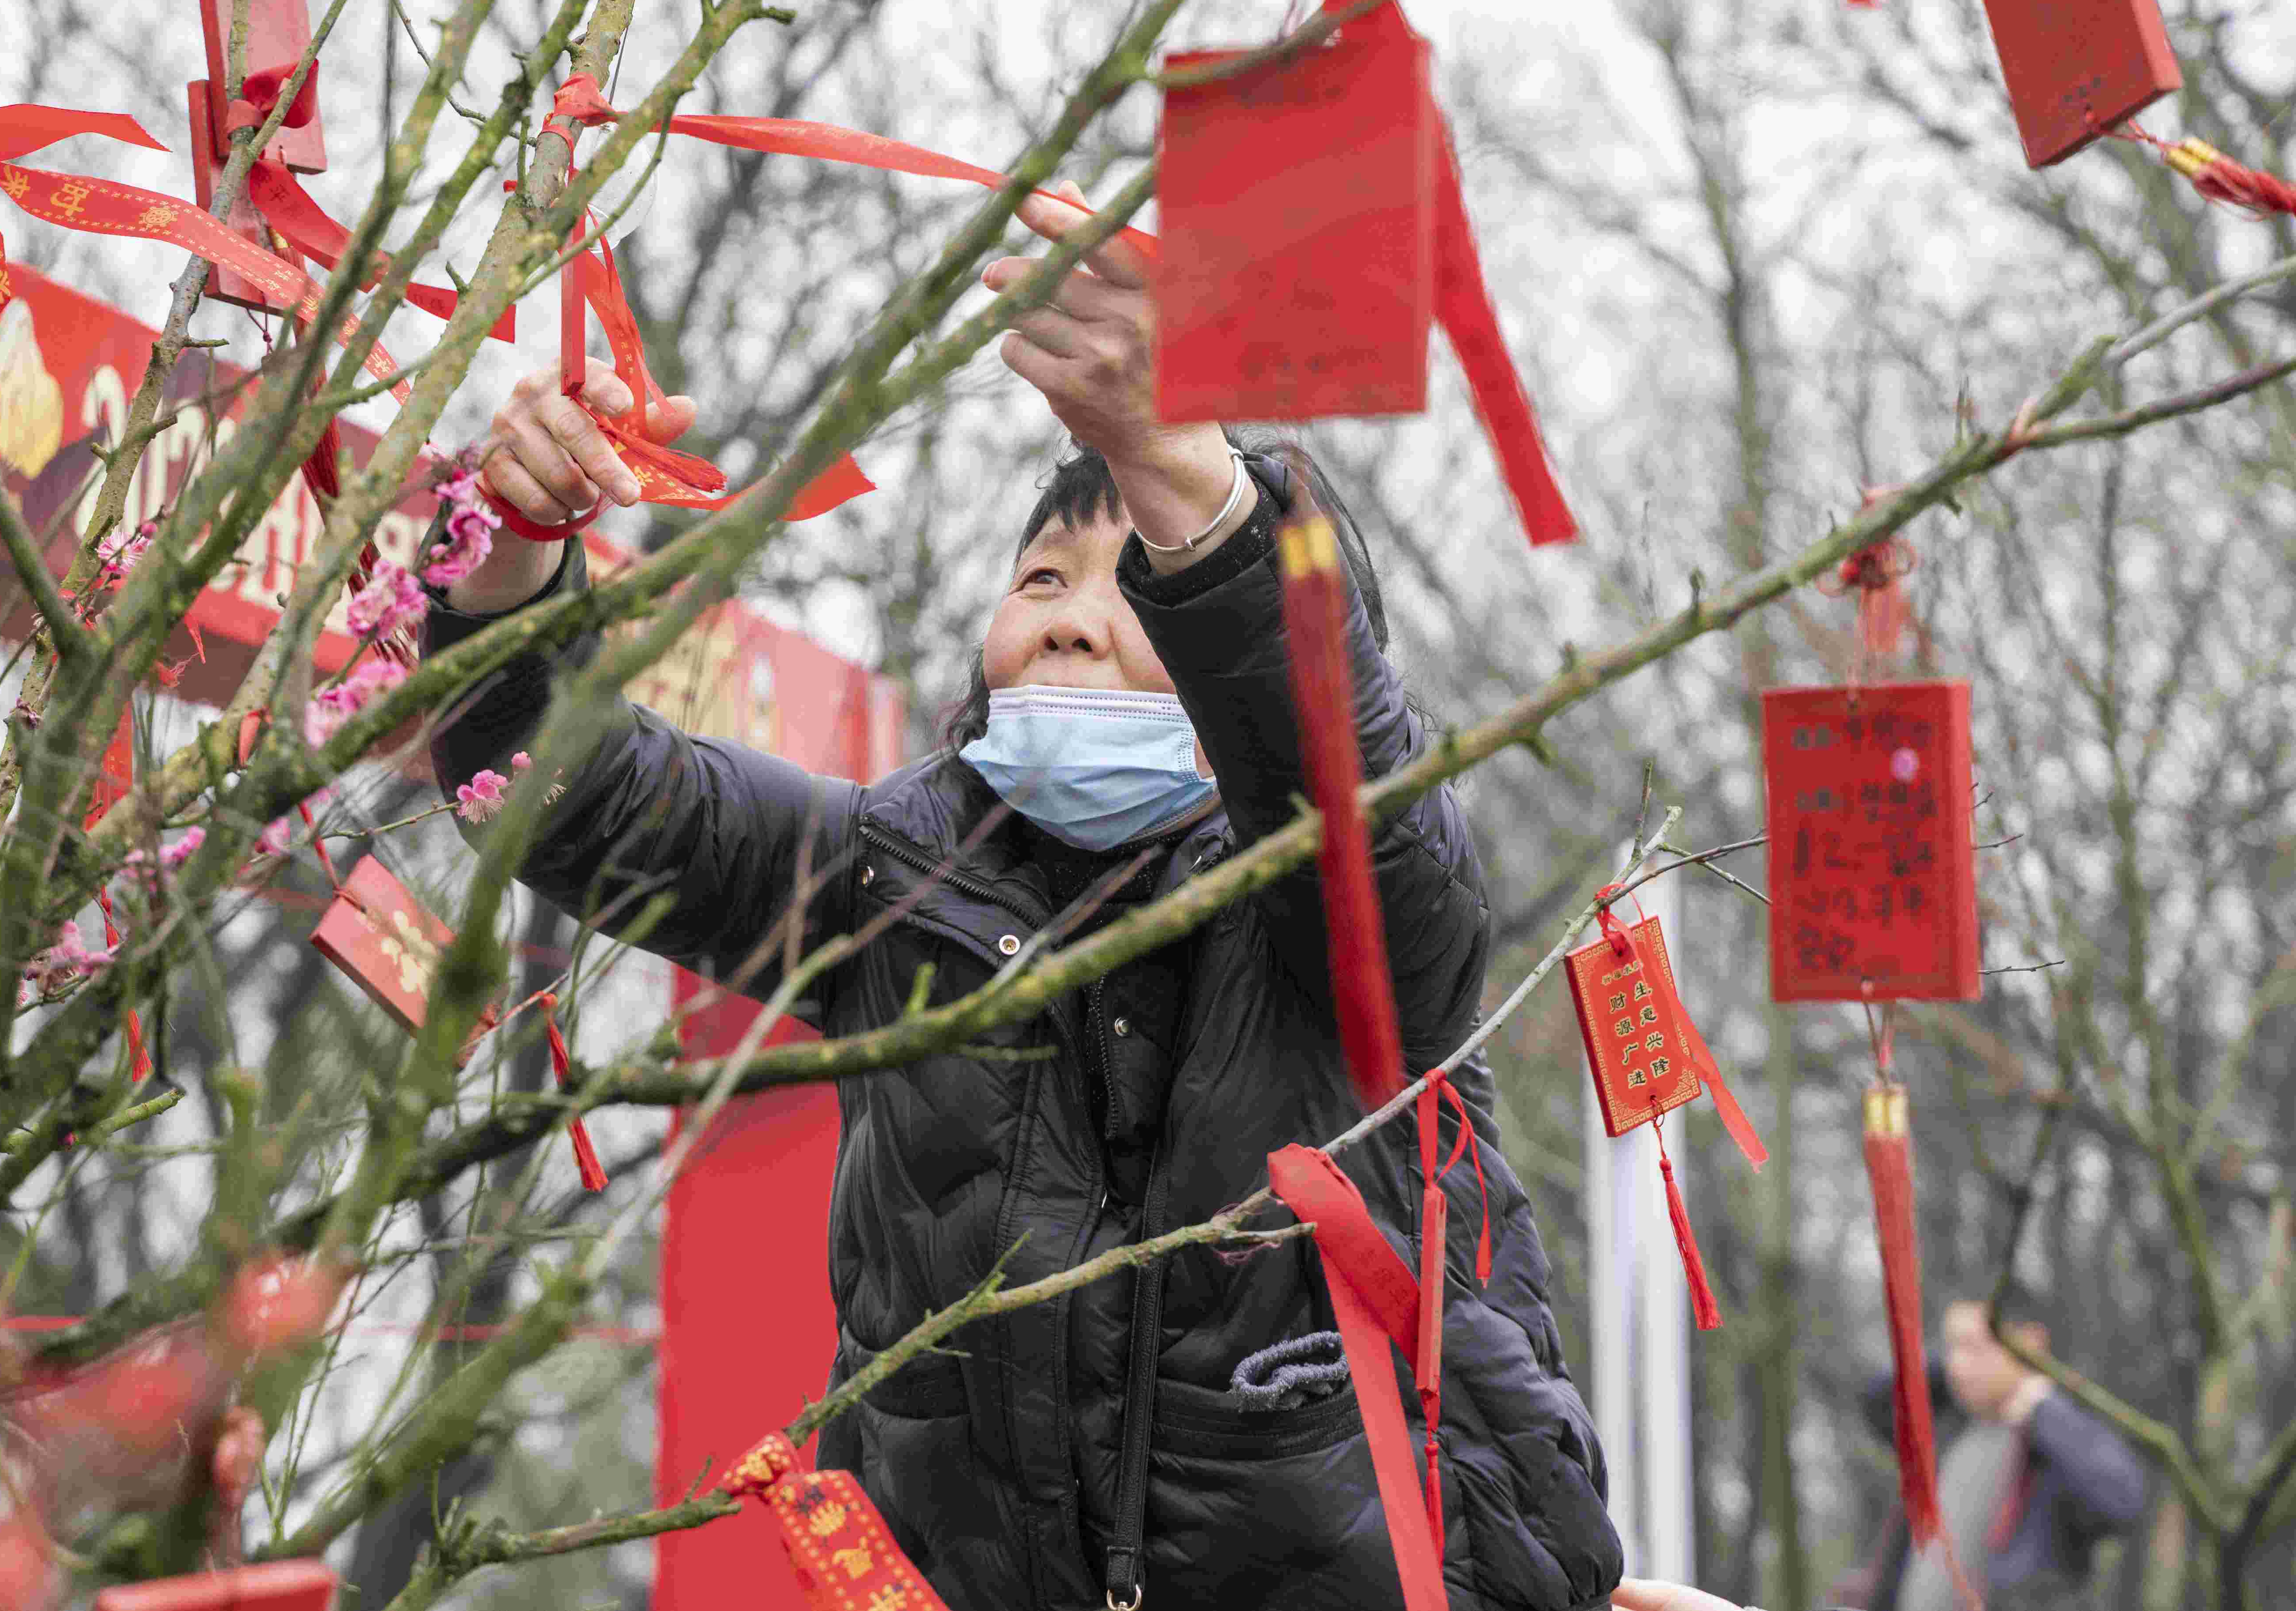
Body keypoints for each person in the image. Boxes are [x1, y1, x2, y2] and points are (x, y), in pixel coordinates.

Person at [424, 187, 1626, 1608]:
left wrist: (1176, 461)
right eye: (1040, 573)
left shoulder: (1353, 905)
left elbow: (1343, 789)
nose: (1067, 609)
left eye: (1142, 583)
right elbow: (560, 786)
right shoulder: (888, 871)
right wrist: (509, 547)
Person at [1849, 1301, 2147, 1611]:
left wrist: (2039, 1397)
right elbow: (1879, 1400)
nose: (1958, 1365)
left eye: (1975, 1347)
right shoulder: (1950, 1431)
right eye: (1952, 1348)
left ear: (2030, 1344)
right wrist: (1966, 1354)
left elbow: (2122, 1503)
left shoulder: (2056, 1439)